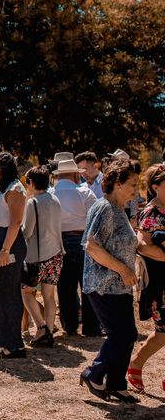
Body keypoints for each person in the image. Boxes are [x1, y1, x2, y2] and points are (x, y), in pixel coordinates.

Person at [79, 159, 140, 403]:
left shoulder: (119, 209)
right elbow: (91, 246)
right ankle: (94, 373)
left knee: (128, 334)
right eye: (132, 184)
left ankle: (116, 384)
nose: (136, 190)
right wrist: (123, 269)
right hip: (103, 284)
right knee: (121, 335)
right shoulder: (104, 208)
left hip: (120, 285)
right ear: (117, 183)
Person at [0, 152, 27, 358]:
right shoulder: (2, 189)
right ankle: (2, 340)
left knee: (8, 293)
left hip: (8, 245)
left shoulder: (15, 189)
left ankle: (14, 344)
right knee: (0, 292)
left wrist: (5, 249)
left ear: (4, 168)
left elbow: (16, 222)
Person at [51, 159, 100, 336]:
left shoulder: (51, 193)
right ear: (74, 174)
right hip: (82, 239)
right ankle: (91, 326)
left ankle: (70, 326)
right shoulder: (85, 191)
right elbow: (95, 219)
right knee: (88, 284)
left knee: (65, 286)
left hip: (58, 241)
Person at [127, 164, 165, 393]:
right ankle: (135, 364)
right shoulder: (151, 213)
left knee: (162, 334)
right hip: (161, 281)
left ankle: (135, 365)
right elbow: (141, 246)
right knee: (162, 333)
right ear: (156, 186)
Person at [21, 166, 64, 346]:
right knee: (49, 295)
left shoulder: (33, 202)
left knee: (25, 291)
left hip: (38, 256)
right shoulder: (55, 199)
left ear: (31, 183)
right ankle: (49, 330)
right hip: (56, 253)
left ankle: (41, 328)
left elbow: (27, 231)